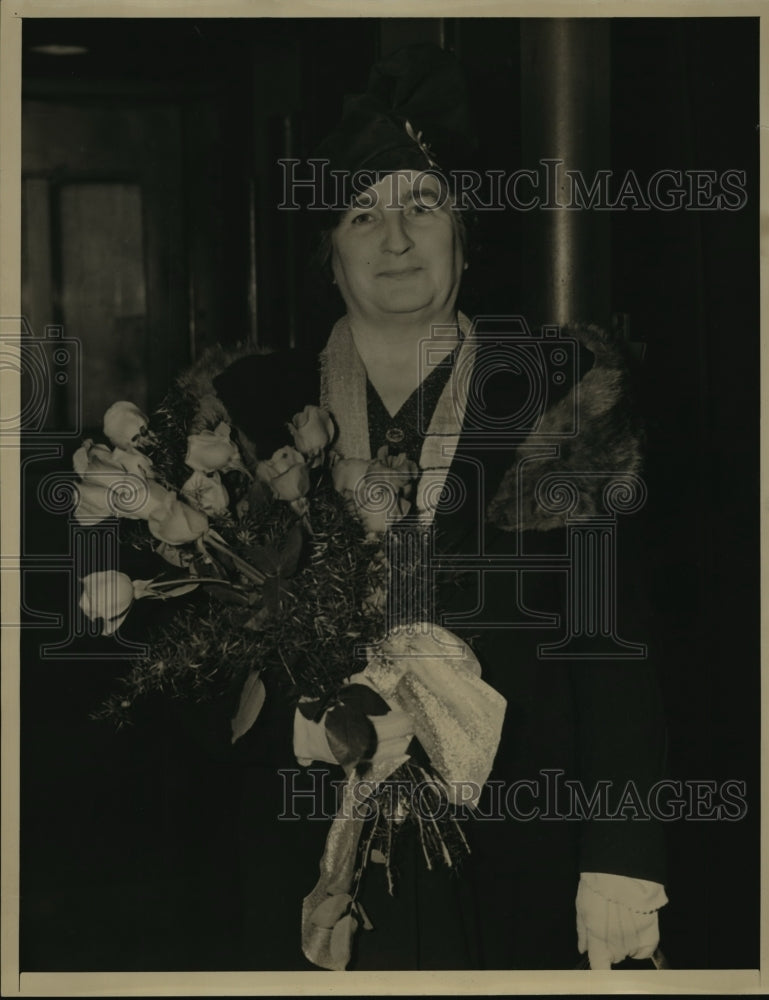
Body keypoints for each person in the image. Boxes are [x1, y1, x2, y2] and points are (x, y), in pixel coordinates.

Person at [211, 42, 668, 971]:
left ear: (464, 240)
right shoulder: (251, 412)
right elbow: (193, 661)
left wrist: (621, 859)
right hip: (305, 851)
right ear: (329, 259)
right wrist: (300, 724)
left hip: (516, 850)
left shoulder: (552, 394)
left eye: (424, 207)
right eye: (361, 214)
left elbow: (613, 645)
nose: (395, 239)